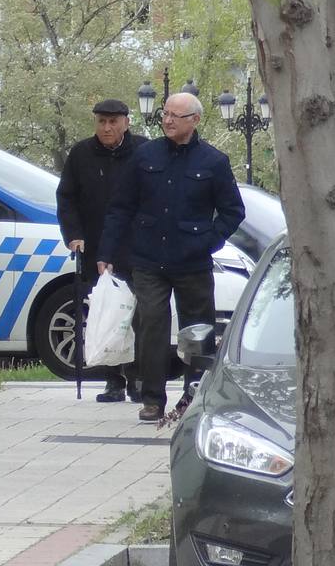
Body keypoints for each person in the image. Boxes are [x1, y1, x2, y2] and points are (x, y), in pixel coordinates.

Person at [97, 92, 245, 423]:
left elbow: (233, 212)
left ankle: (195, 392)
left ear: (194, 120)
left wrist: (207, 242)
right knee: (151, 326)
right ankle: (152, 398)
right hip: (148, 258)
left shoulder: (213, 162)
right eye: (165, 114)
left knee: (197, 329)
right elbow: (121, 207)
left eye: (176, 116)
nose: (167, 120)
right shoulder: (145, 156)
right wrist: (106, 251)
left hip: (192, 260)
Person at [55, 98, 149, 403]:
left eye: (113, 122)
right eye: (101, 122)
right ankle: (113, 380)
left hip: (137, 247)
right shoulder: (81, 154)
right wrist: (74, 236)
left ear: (126, 122)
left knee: (139, 315)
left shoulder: (143, 151)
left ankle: (138, 376)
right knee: (104, 312)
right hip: (96, 248)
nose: (106, 128)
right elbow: (66, 198)